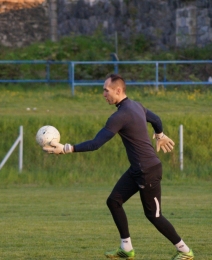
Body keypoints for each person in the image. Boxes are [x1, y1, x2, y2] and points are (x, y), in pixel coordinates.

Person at [43, 74, 194, 260]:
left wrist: (66, 148)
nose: (103, 94)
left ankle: (185, 251)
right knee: (114, 201)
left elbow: (96, 144)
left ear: (118, 90)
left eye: (106, 90)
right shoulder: (136, 106)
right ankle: (126, 248)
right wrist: (160, 133)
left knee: (154, 216)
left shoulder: (120, 116)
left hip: (148, 171)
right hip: (138, 169)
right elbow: (156, 119)